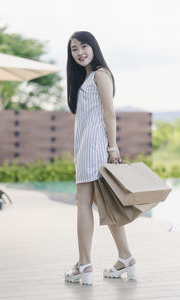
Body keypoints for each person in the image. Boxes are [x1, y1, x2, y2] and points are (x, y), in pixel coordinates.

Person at [65, 31, 137, 285]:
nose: (80, 52)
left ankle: (84, 264)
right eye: (74, 49)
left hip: (96, 147)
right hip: (88, 146)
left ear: (93, 47)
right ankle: (126, 258)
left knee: (83, 203)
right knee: (106, 203)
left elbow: (110, 113)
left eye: (84, 46)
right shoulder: (85, 79)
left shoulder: (101, 74)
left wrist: (113, 147)